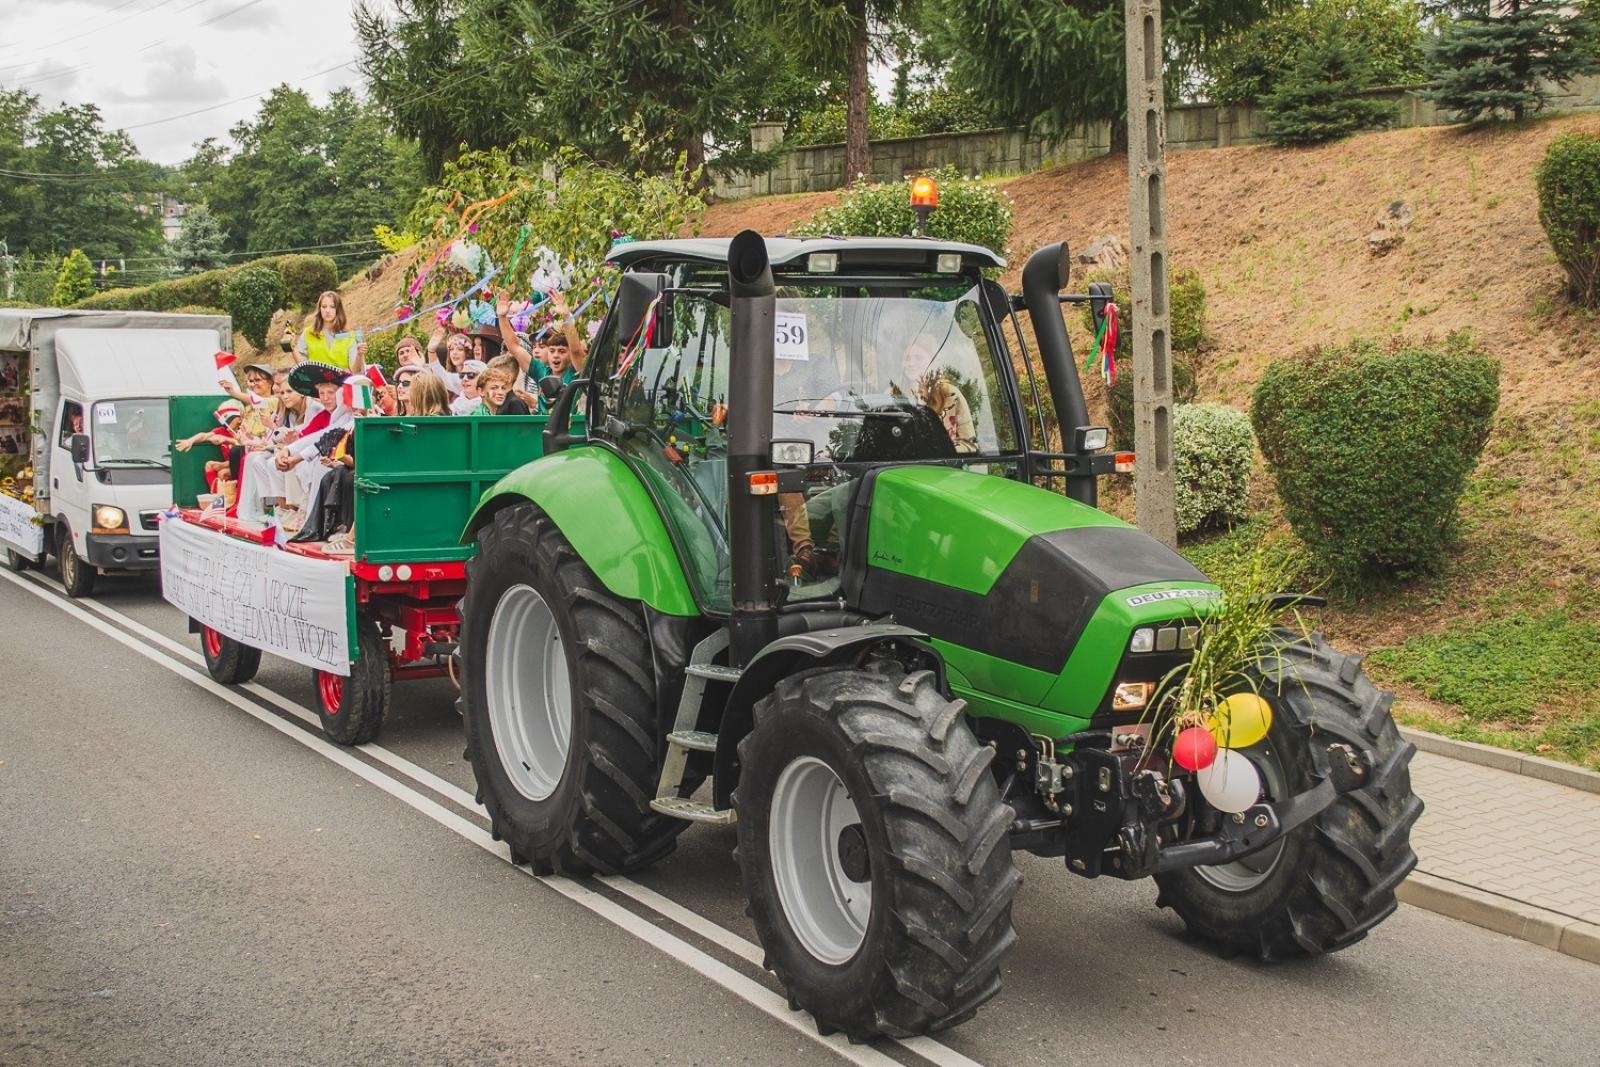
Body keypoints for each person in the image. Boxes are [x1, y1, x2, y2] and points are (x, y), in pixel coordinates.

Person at [891, 335, 977, 454]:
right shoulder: (891, 396)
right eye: (907, 358)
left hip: (943, 469)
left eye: (918, 358)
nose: (911, 363)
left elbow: (970, 444)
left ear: (934, 360)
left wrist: (939, 452)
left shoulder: (950, 395)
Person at [298, 290, 363, 371]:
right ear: (319, 309)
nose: (327, 311)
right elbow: (301, 366)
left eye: (332, 307)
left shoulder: (350, 336)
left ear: (338, 310)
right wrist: (291, 347)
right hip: (316, 383)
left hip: (342, 382)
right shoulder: (308, 333)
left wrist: (359, 355)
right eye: (324, 306)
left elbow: (355, 371)